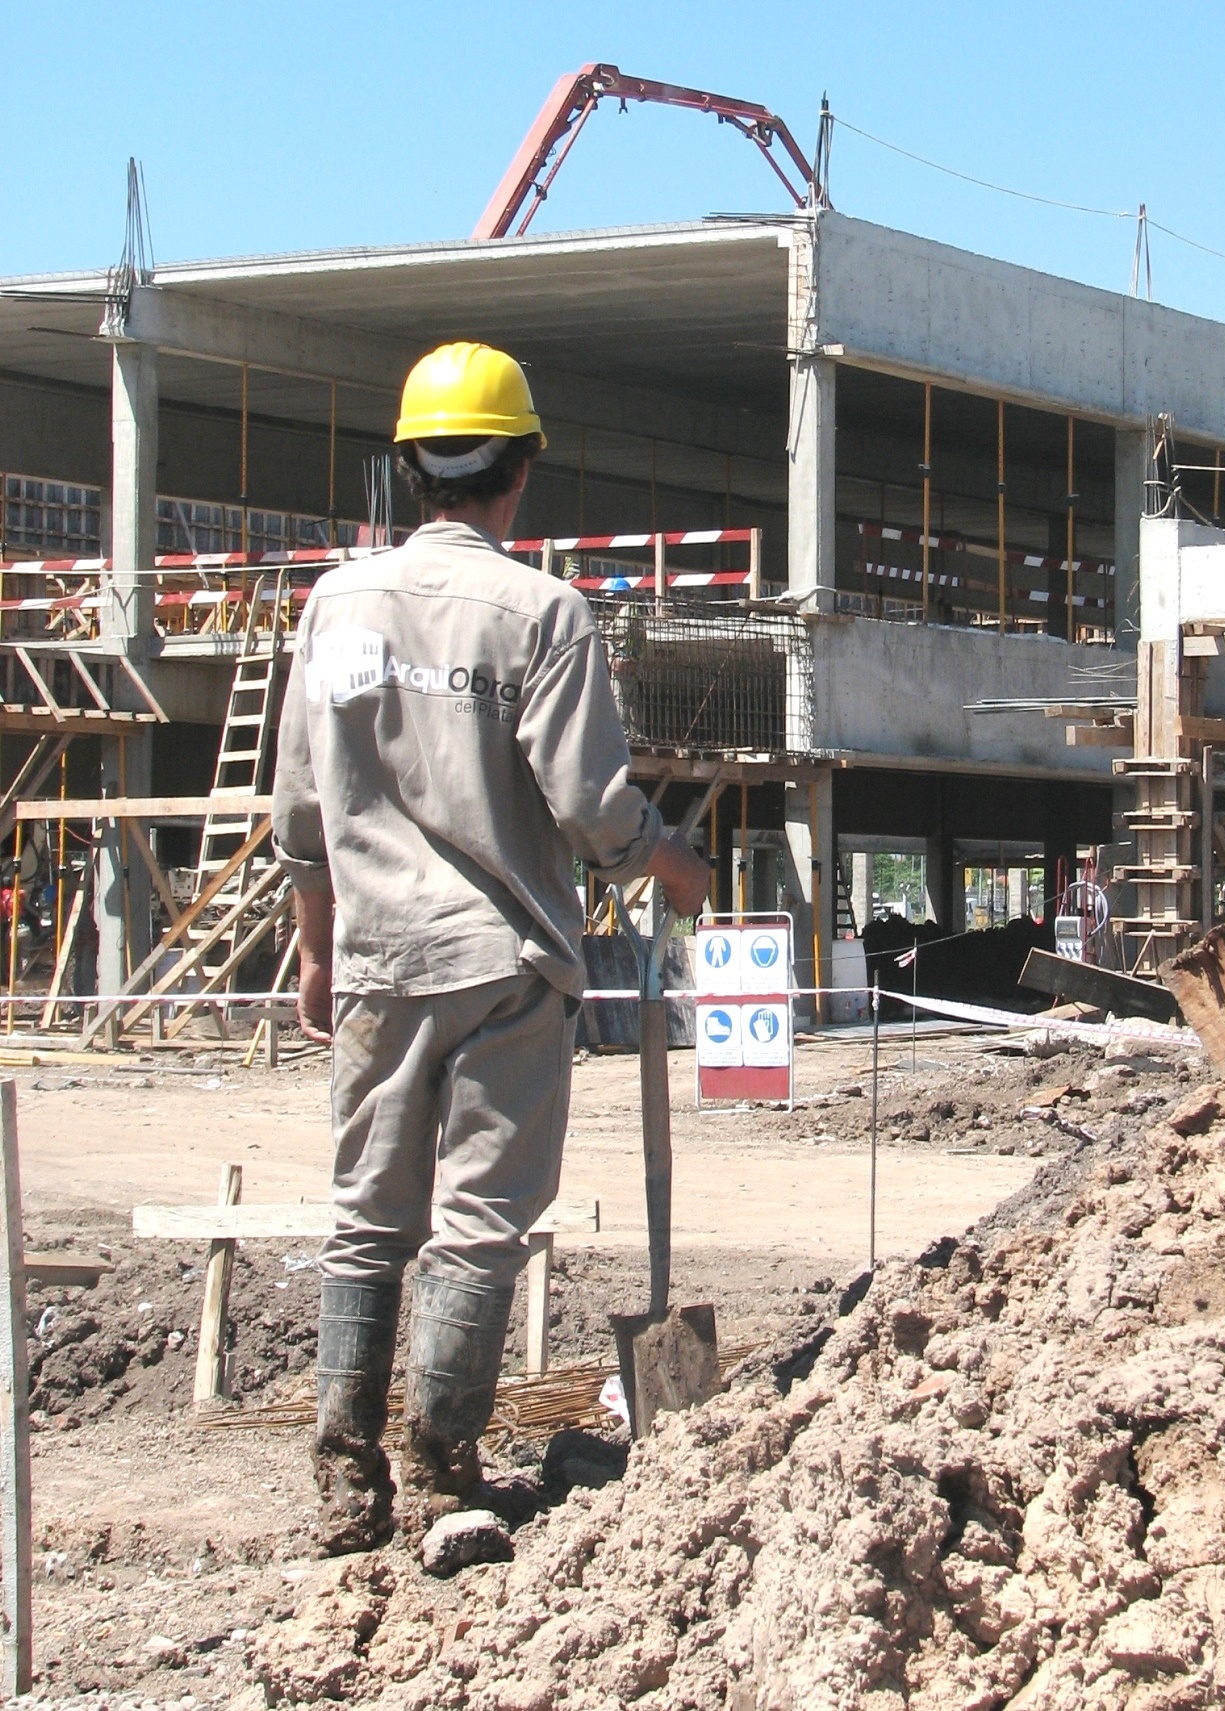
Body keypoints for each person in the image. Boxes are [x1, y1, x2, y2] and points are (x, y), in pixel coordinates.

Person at [272, 342, 710, 1554]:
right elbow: (592, 807)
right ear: (520, 471)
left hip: (378, 957)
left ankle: (345, 1480)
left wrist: (316, 953)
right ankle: (438, 1469)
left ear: (411, 468)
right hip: (506, 967)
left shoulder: (335, 606)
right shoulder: (543, 613)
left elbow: (301, 812)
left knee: (368, 1214)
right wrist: (674, 862)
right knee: (478, 1219)